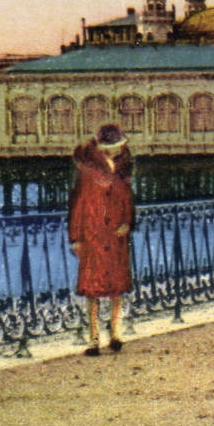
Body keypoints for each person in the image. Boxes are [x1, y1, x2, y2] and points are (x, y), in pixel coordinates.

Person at [69, 124, 136, 354]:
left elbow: (127, 199)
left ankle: (116, 333)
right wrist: (76, 237)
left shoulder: (121, 168)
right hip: (93, 236)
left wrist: (127, 222)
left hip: (115, 235)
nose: (120, 150)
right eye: (117, 146)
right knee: (92, 291)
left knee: (116, 289)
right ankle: (94, 339)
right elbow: (78, 204)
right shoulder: (88, 171)